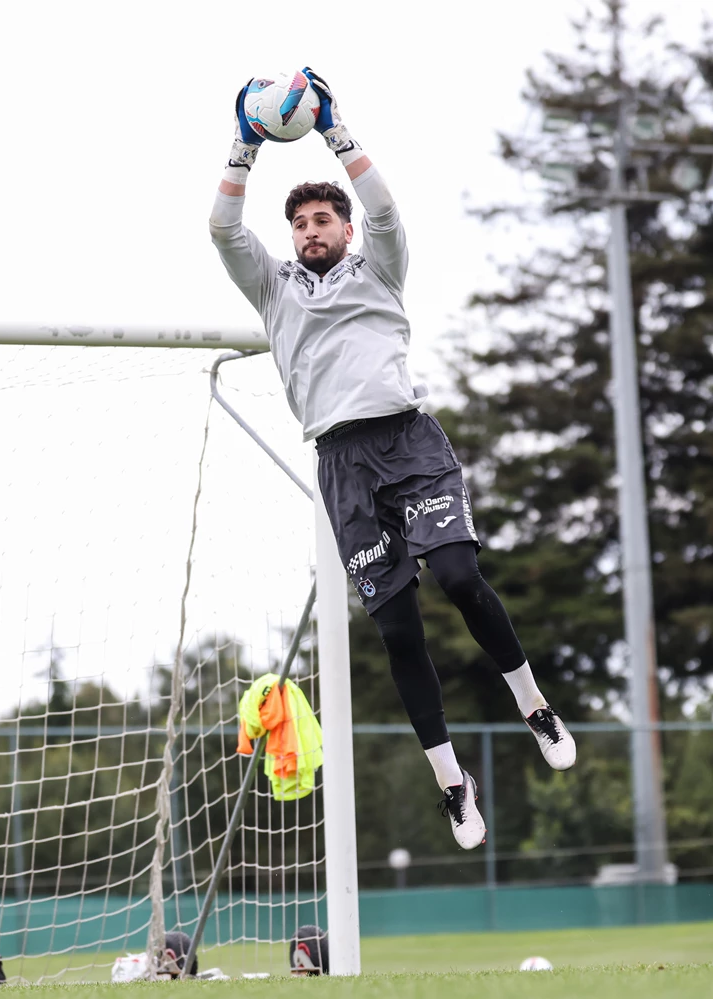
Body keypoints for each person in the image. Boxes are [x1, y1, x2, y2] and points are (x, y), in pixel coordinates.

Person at [209, 69, 576, 851]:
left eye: (321, 219)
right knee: (398, 631)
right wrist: (244, 145)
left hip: (407, 441)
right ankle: (451, 780)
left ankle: (533, 704)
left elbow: (382, 208)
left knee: (459, 577)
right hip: (341, 466)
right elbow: (222, 229)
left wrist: (335, 130)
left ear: (343, 230)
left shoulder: (378, 266)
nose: (309, 230)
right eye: (299, 223)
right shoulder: (273, 290)